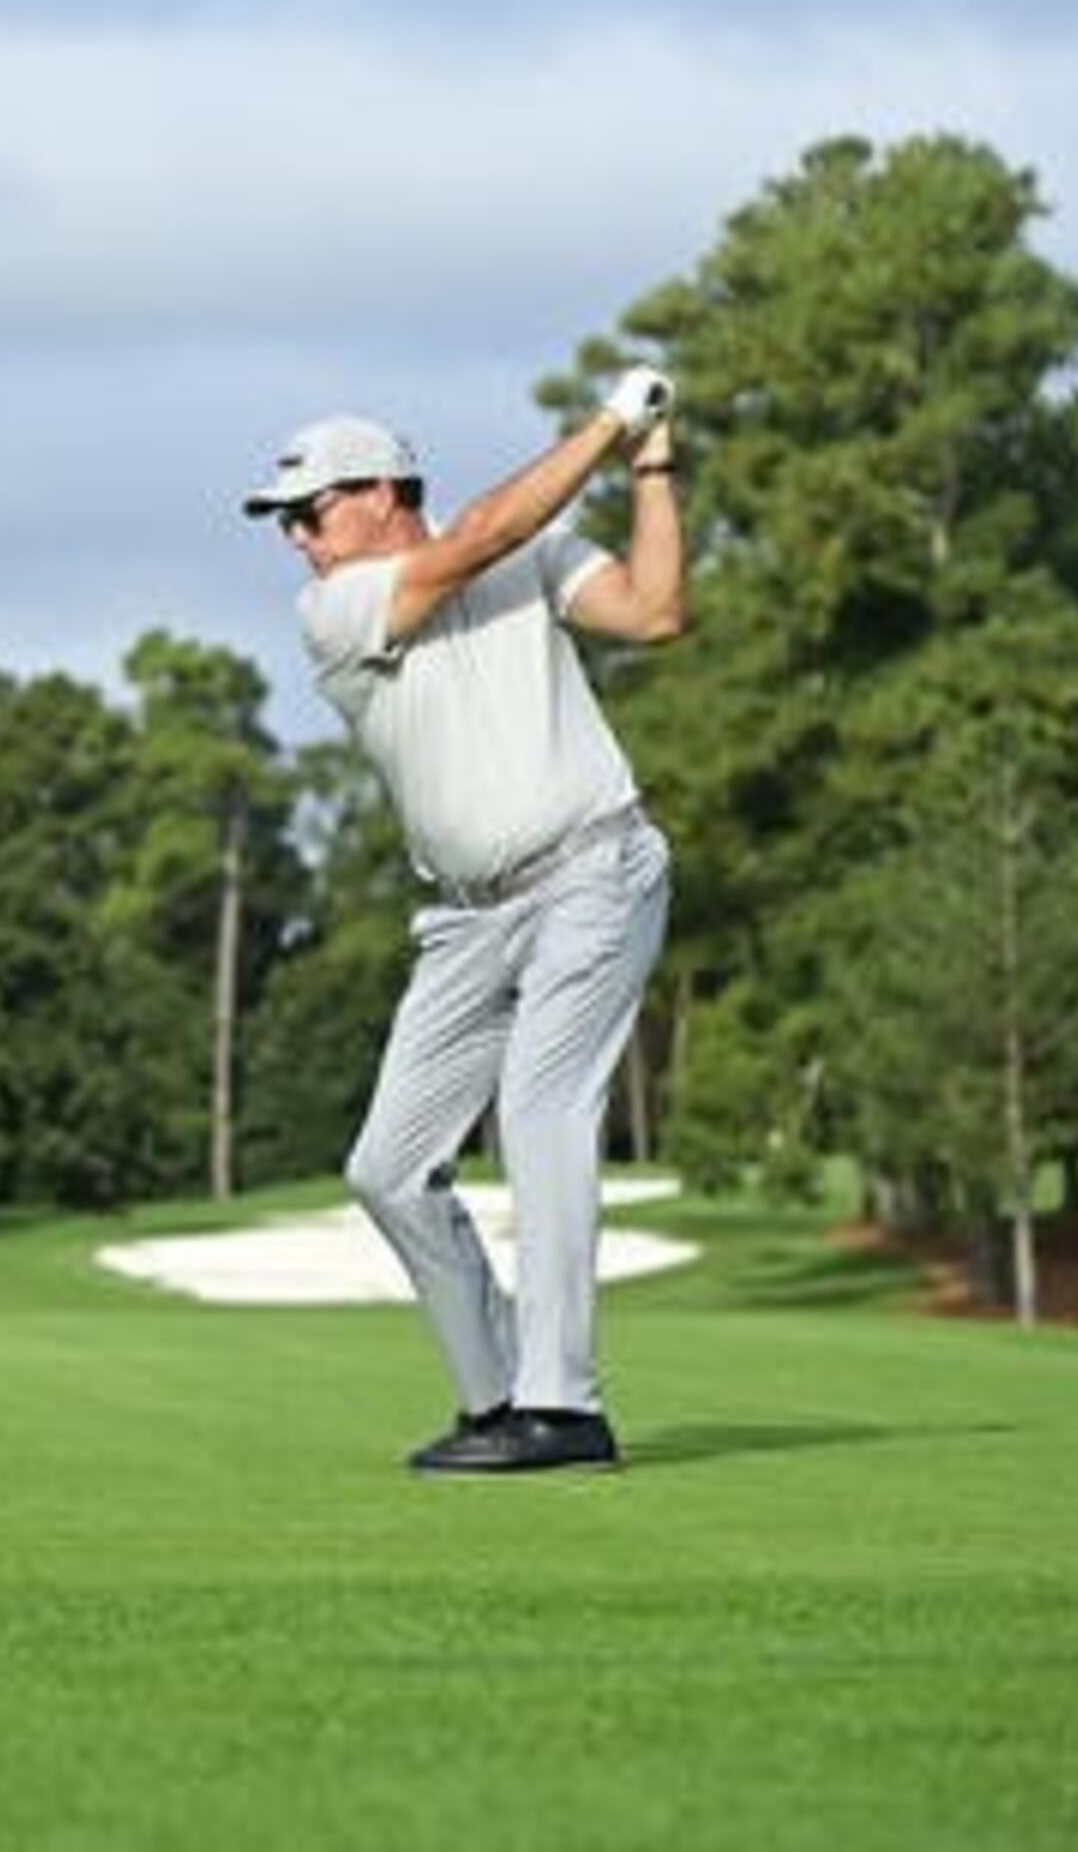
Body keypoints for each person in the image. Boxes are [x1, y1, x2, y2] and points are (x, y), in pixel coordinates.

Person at [240, 366, 688, 1474]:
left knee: (542, 1108)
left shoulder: (533, 556)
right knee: (387, 1167)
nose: (296, 538)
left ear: (383, 492)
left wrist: (652, 465)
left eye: (310, 512)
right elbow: (484, 536)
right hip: (465, 919)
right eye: (285, 522)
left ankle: (564, 1409)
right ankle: (497, 1399)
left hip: (595, 869)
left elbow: (654, 612)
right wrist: (609, 422)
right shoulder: (335, 611)